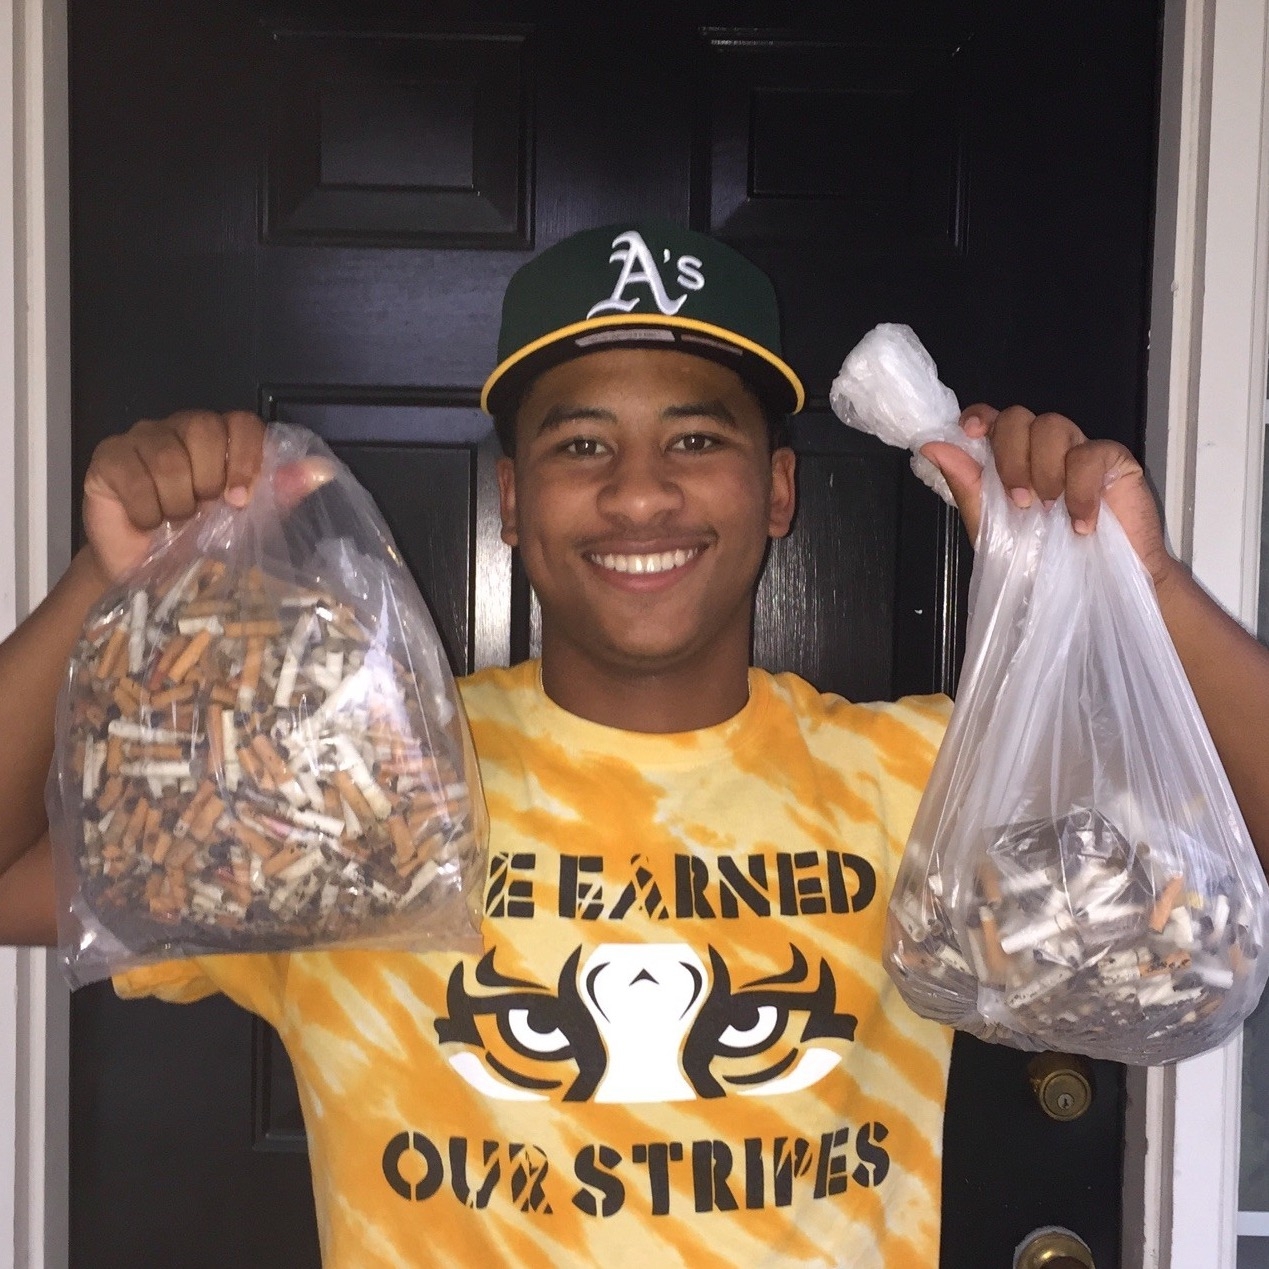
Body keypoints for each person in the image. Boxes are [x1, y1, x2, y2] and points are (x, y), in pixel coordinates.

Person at [1, 221, 1268, 1267]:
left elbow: (1233, 869)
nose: (641, 491)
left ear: (777, 493)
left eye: (698, 438)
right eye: (580, 444)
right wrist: (99, 588)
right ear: (511, 499)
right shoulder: (351, 786)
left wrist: (1143, 590)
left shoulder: (925, 782)